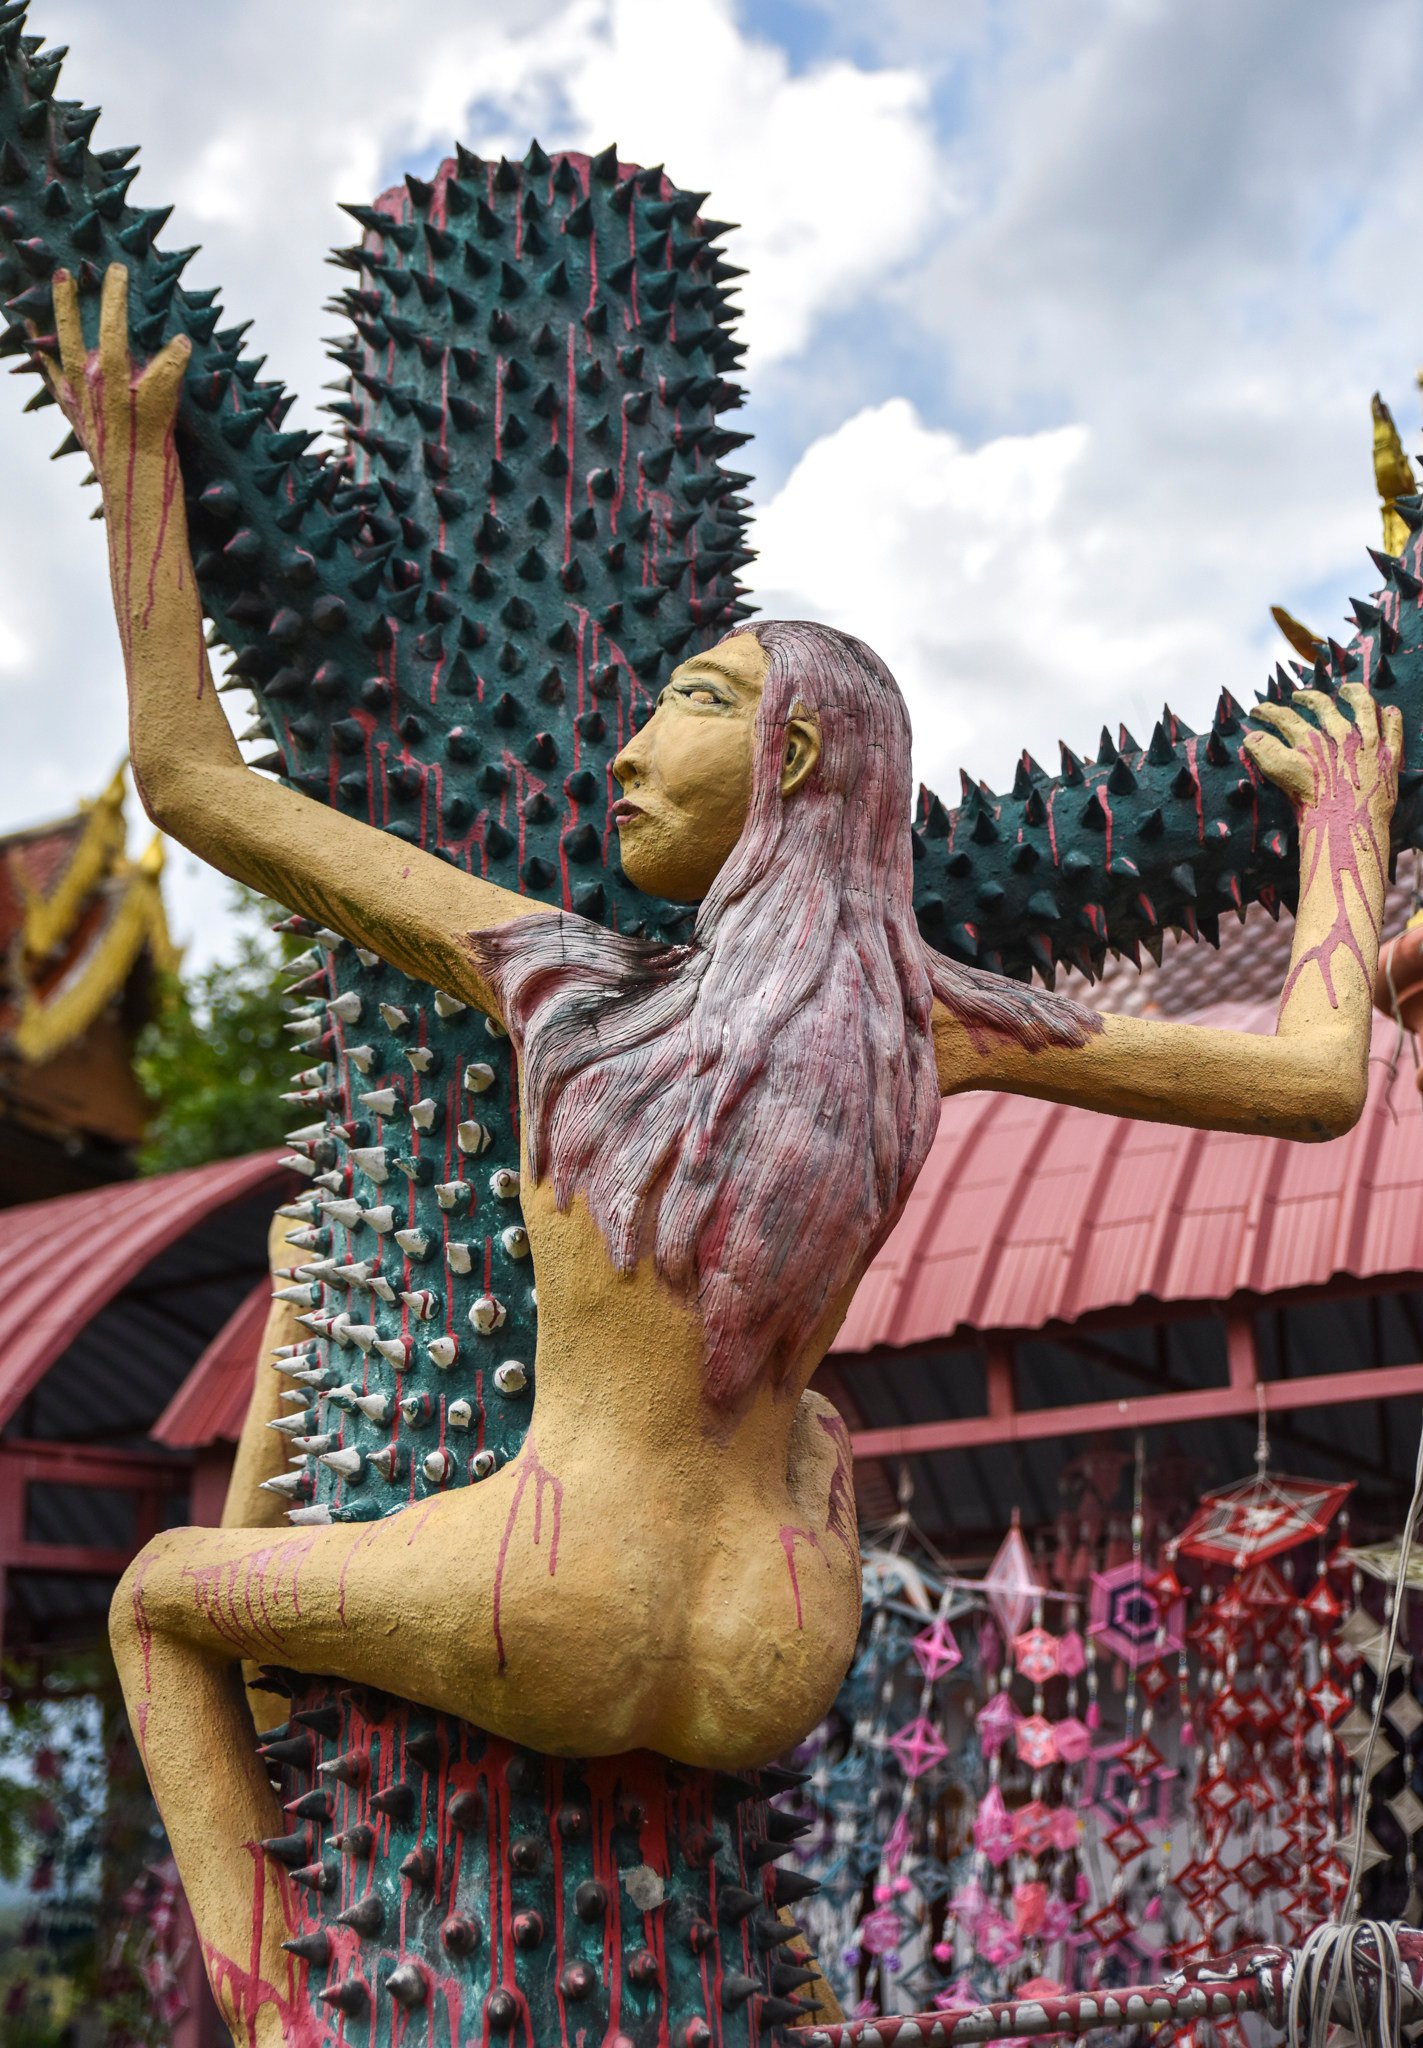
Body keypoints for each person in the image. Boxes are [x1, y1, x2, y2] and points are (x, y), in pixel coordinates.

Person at [41, 265, 1400, 2041]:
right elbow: (1315, 1080)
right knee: (813, 1419)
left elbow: (198, 787)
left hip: (554, 1592)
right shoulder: (934, 1021)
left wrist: (138, 469)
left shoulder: (558, 977)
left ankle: (280, 2034)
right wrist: (1350, 817)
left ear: (797, 752)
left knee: (161, 1605)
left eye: (685, 701)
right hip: (774, 1638)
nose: (620, 746)